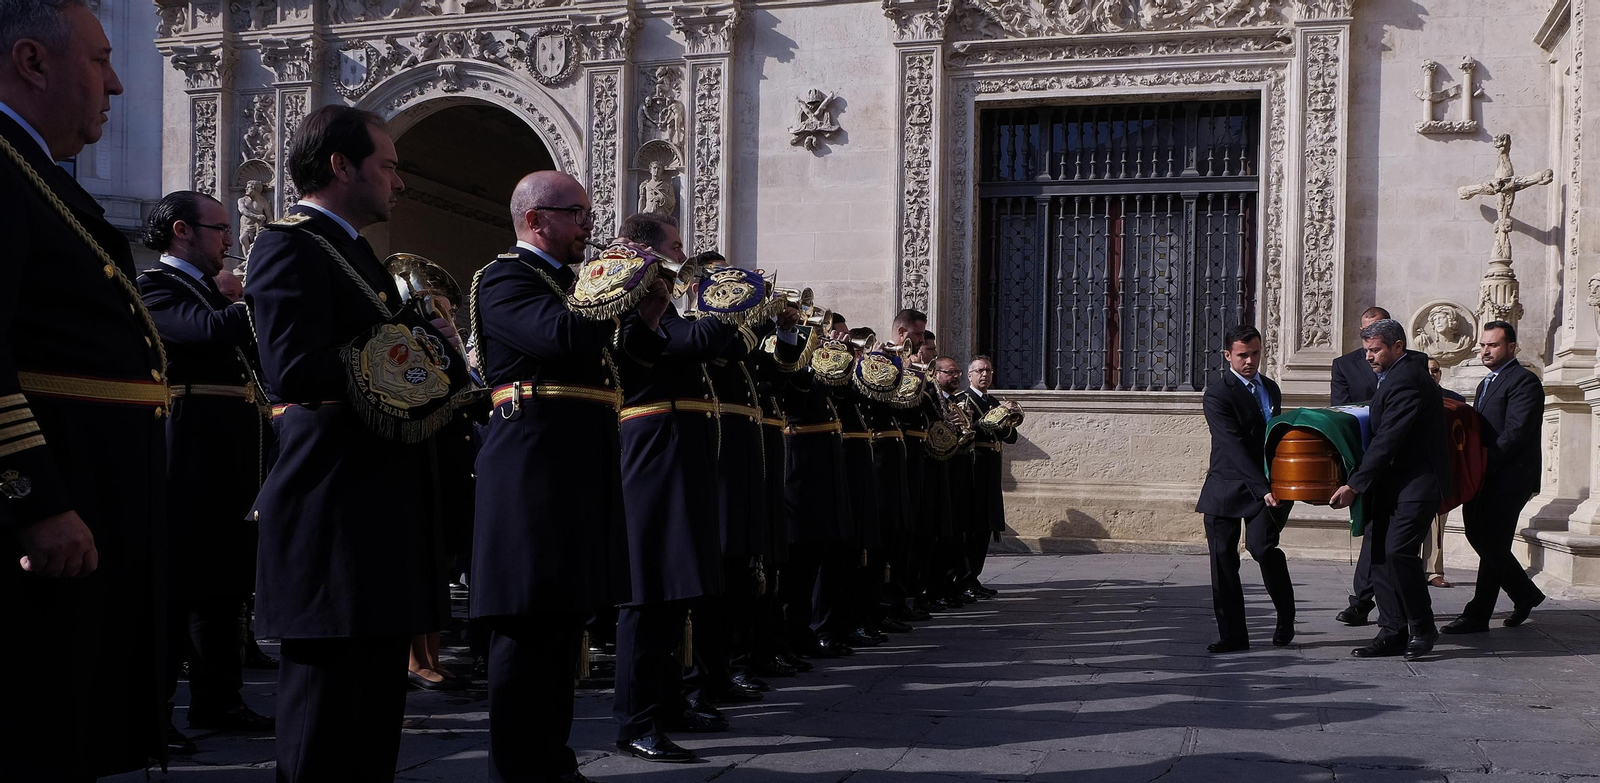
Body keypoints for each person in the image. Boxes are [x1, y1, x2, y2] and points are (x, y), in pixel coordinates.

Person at [245, 105, 458, 781]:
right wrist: (414, 351)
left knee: (370, 726)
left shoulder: (354, 252)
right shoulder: (289, 243)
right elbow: (294, 366)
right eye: (388, 165)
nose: (399, 183)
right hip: (332, 507)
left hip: (376, 507)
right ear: (341, 165)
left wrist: (425, 348)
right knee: (323, 726)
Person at [0, 2, 170, 778]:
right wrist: (34, 498)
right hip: (51, 507)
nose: (121, 85)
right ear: (33, 63)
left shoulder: (34, 175)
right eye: (101, 61)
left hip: (93, 497)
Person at [471, 171, 668, 783]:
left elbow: (624, 359)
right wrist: (621, 286)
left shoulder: (568, 282)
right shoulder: (506, 276)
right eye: (576, 212)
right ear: (536, 219)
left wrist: (651, 308)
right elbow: (558, 337)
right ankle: (518, 767)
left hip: (576, 462)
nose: (589, 223)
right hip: (532, 467)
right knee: (527, 627)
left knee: (561, 625)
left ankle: (550, 759)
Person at [137, 191, 275, 753]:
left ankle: (219, 698)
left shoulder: (203, 289)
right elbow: (206, 333)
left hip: (226, 453)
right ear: (180, 231)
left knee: (224, 583)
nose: (228, 239)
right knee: (176, 588)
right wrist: (260, 293)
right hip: (188, 451)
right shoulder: (153, 286)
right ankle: (152, 713)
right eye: (219, 228)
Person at [611, 212, 742, 763]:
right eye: (676, 247)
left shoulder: (663, 303)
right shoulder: (627, 300)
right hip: (649, 450)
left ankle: (667, 703)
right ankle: (635, 719)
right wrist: (717, 303)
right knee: (647, 593)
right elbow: (694, 339)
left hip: (680, 452)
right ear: (650, 251)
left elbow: (727, 347)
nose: (684, 258)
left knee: (676, 589)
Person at [1330, 319, 1451, 661]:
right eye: (1366, 350)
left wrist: (1354, 484)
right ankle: (1391, 631)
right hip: (1390, 483)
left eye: (1376, 349)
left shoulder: (1409, 379)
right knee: (1379, 555)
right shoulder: (1391, 374)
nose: (1368, 357)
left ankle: (1422, 627)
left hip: (1417, 482)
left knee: (1398, 551)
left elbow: (1388, 439)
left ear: (1398, 347)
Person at [1195, 325, 1295, 653]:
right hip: (1227, 487)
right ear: (1228, 356)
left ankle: (1285, 616)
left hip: (1266, 488)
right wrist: (1261, 486)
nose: (1250, 361)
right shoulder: (1218, 394)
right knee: (1223, 561)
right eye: (1242, 355)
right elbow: (1233, 445)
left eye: (1255, 353)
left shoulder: (1270, 388)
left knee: (1264, 548)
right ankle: (1233, 635)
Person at [1443, 321, 1547, 634]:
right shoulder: (1487, 382)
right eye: (1483, 345)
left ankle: (1477, 615)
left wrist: (1482, 462)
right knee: (1479, 535)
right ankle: (1525, 593)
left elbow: (1515, 433)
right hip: (1486, 474)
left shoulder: (1524, 382)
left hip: (1510, 478)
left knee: (1495, 543)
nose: (1485, 351)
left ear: (1512, 347)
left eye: (1493, 345)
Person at [1332, 305, 1390, 626]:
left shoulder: (1413, 363)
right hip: (1365, 459)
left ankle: (1372, 604)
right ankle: (1367, 603)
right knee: (1373, 531)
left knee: (1386, 538)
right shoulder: (1344, 365)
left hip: (1401, 462)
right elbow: (1340, 410)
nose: (1370, 342)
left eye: (1377, 330)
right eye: (1365, 331)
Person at [961, 354, 1017, 597]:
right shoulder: (964, 401)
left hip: (992, 468)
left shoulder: (994, 401)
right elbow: (968, 430)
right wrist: (992, 419)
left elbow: (1010, 437)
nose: (985, 375)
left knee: (986, 526)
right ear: (970, 374)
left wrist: (1009, 418)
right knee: (972, 526)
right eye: (980, 371)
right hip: (974, 466)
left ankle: (974, 578)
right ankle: (964, 579)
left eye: (989, 371)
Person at [1425, 358, 1464, 588]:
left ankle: (1433, 571)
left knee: (1438, 522)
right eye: (1428, 370)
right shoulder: (1410, 394)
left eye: (1436, 370)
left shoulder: (1455, 400)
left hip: (1444, 467)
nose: (1432, 374)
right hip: (1416, 467)